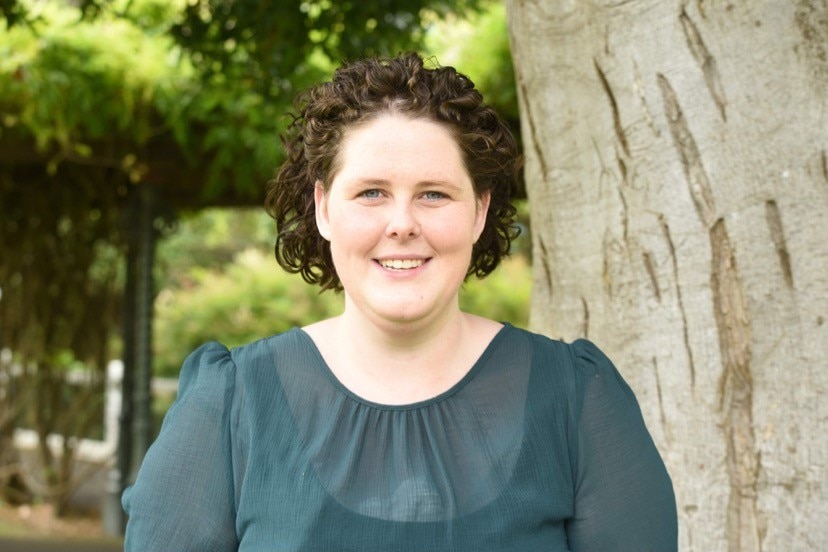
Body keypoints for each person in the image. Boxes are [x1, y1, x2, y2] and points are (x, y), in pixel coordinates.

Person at [122, 52, 678, 551]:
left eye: (433, 194)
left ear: (480, 212)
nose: (402, 225)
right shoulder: (231, 402)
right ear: (323, 208)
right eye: (371, 193)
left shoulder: (577, 399)